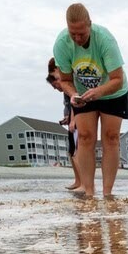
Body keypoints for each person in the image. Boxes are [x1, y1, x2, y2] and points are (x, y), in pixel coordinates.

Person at [54, 3, 128, 199]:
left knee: (111, 138)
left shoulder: (105, 39)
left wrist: (98, 92)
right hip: (82, 93)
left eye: (82, 34)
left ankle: (107, 193)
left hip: (113, 91)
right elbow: (66, 80)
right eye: (73, 34)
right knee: (86, 137)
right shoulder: (62, 43)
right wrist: (72, 95)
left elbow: (117, 79)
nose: (77, 39)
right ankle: (88, 191)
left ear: (90, 25)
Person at [47, 58, 84, 192]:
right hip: (72, 121)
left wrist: (73, 120)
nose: (57, 88)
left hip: (77, 120)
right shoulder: (66, 87)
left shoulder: (70, 82)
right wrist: (68, 118)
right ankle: (78, 181)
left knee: (76, 153)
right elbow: (69, 106)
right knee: (71, 152)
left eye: (55, 85)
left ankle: (83, 183)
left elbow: (75, 103)